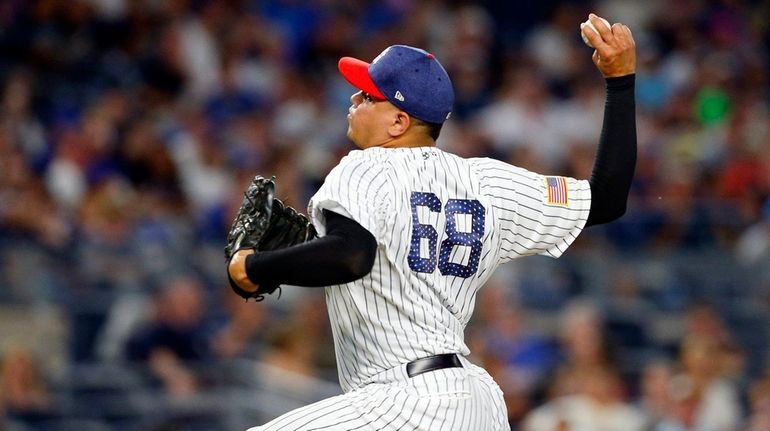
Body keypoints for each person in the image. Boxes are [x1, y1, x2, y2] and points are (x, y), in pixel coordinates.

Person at [228, 13, 637, 430]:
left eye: (368, 96)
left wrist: (252, 268)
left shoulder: (367, 168)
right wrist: (620, 83)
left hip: (406, 401)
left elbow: (352, 255)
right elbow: (606, 198)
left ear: (399, 121)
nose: (354, 100)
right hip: (476, 405)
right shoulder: (486, 182)